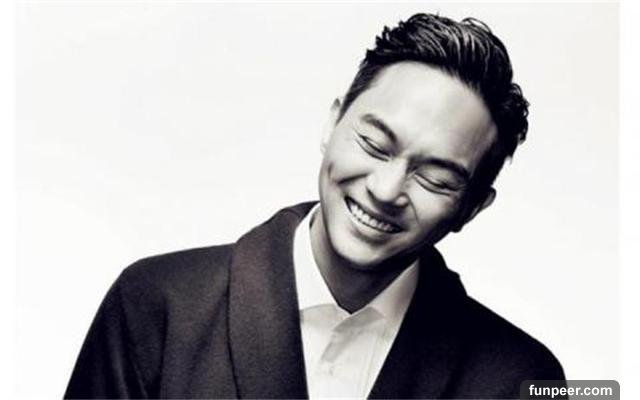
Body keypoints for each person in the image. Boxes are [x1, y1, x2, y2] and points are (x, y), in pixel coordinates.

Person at [65, 13, 565, 399]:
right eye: (374, 144)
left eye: (435, 178)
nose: (386, 189)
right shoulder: (157, 306)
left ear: (472, 207)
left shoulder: (524, 378)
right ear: (332, 124)